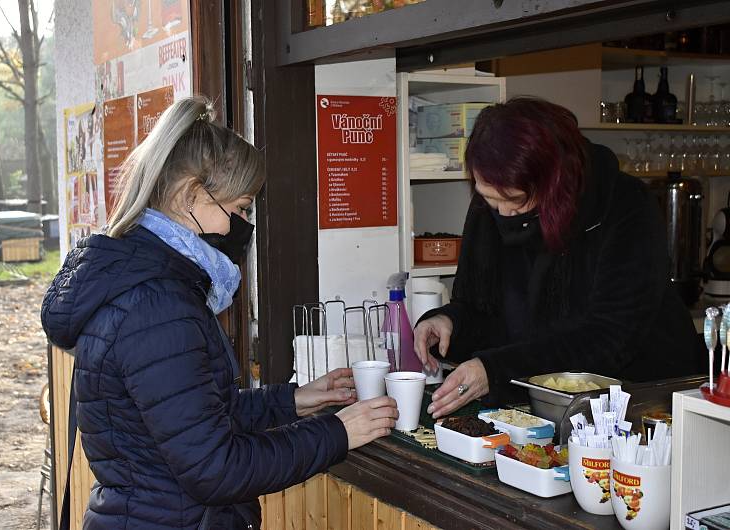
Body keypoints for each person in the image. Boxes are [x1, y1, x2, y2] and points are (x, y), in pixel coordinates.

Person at [41, 95, 399, 529]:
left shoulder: (145, 283)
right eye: (241, 208)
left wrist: (293, 401)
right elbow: (216, 469)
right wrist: (338, 433)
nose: (242, 226)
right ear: (193, 194)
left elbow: (191, 416)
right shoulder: (158, 305)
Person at [414, 97, 703, 419]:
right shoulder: (495, 202)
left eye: (516, 200)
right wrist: (449, 321)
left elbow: (609, 339)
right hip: (543, 402)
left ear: (553, 181)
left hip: (643, 401)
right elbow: (481, 308)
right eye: (488, 198)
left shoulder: (625, 205)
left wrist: (495, 370)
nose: (503, 212)